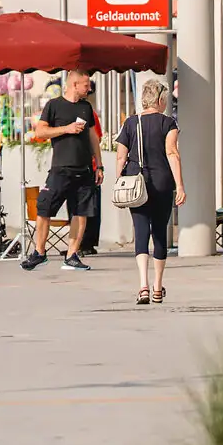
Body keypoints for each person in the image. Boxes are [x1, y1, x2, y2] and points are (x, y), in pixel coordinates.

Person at [21, 69, 103, 273]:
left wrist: (99, 165)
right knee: (44, 207)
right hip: (60, 169)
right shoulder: (54, 105)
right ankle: (39, 252)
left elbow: (93, 137)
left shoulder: (86, 107)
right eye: (86, 85)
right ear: (74, 84)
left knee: (81, 213)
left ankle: (72, 255)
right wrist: (66, 129)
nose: (89, 88)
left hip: (84, 170)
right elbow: (40, 131)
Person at [115, 77, 184, 305]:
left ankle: (143, 285)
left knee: (141, 230)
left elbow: (121, 156)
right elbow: (172, 153)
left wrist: (119, 181)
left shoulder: (130, 123)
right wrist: (180, 185)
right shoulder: (168, 124)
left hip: (136, 183)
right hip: (162, 182)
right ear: (161, 99)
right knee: (160, 233)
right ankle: (157, 287)